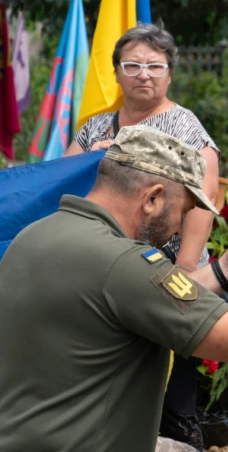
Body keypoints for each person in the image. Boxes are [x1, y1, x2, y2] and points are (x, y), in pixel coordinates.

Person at [0, 126, 228, 452]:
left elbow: (126, 302)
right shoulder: (121, 262)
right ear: (153, 198)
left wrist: (223, 271)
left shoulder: (33, 236)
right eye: (182, 211)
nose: (179, 227)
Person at [63, 22, 219, 447]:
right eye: (131, 65)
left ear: (169, 72)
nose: (142, 74)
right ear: (115, 72)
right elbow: (58, 183)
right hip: (100, 273)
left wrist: (186, 271)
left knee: (172, 406)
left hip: (164, 275)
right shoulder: (95, 129)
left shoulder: (185, 127)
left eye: (153, 65)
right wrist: (87, 163)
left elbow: (202, 203)